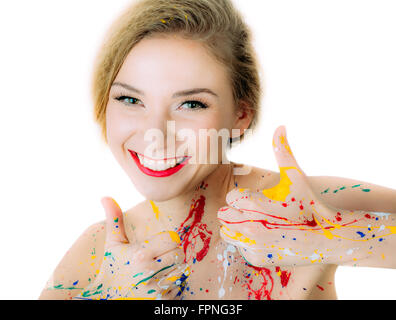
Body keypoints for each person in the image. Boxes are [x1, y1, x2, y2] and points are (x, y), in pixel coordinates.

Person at [38, 0, 396, 300]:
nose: (155, 134)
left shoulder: (301, 206)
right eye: (129, 99)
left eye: (191, 104)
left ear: (241, 114)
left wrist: (325, 239)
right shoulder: (96, 253)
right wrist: (108, 295)